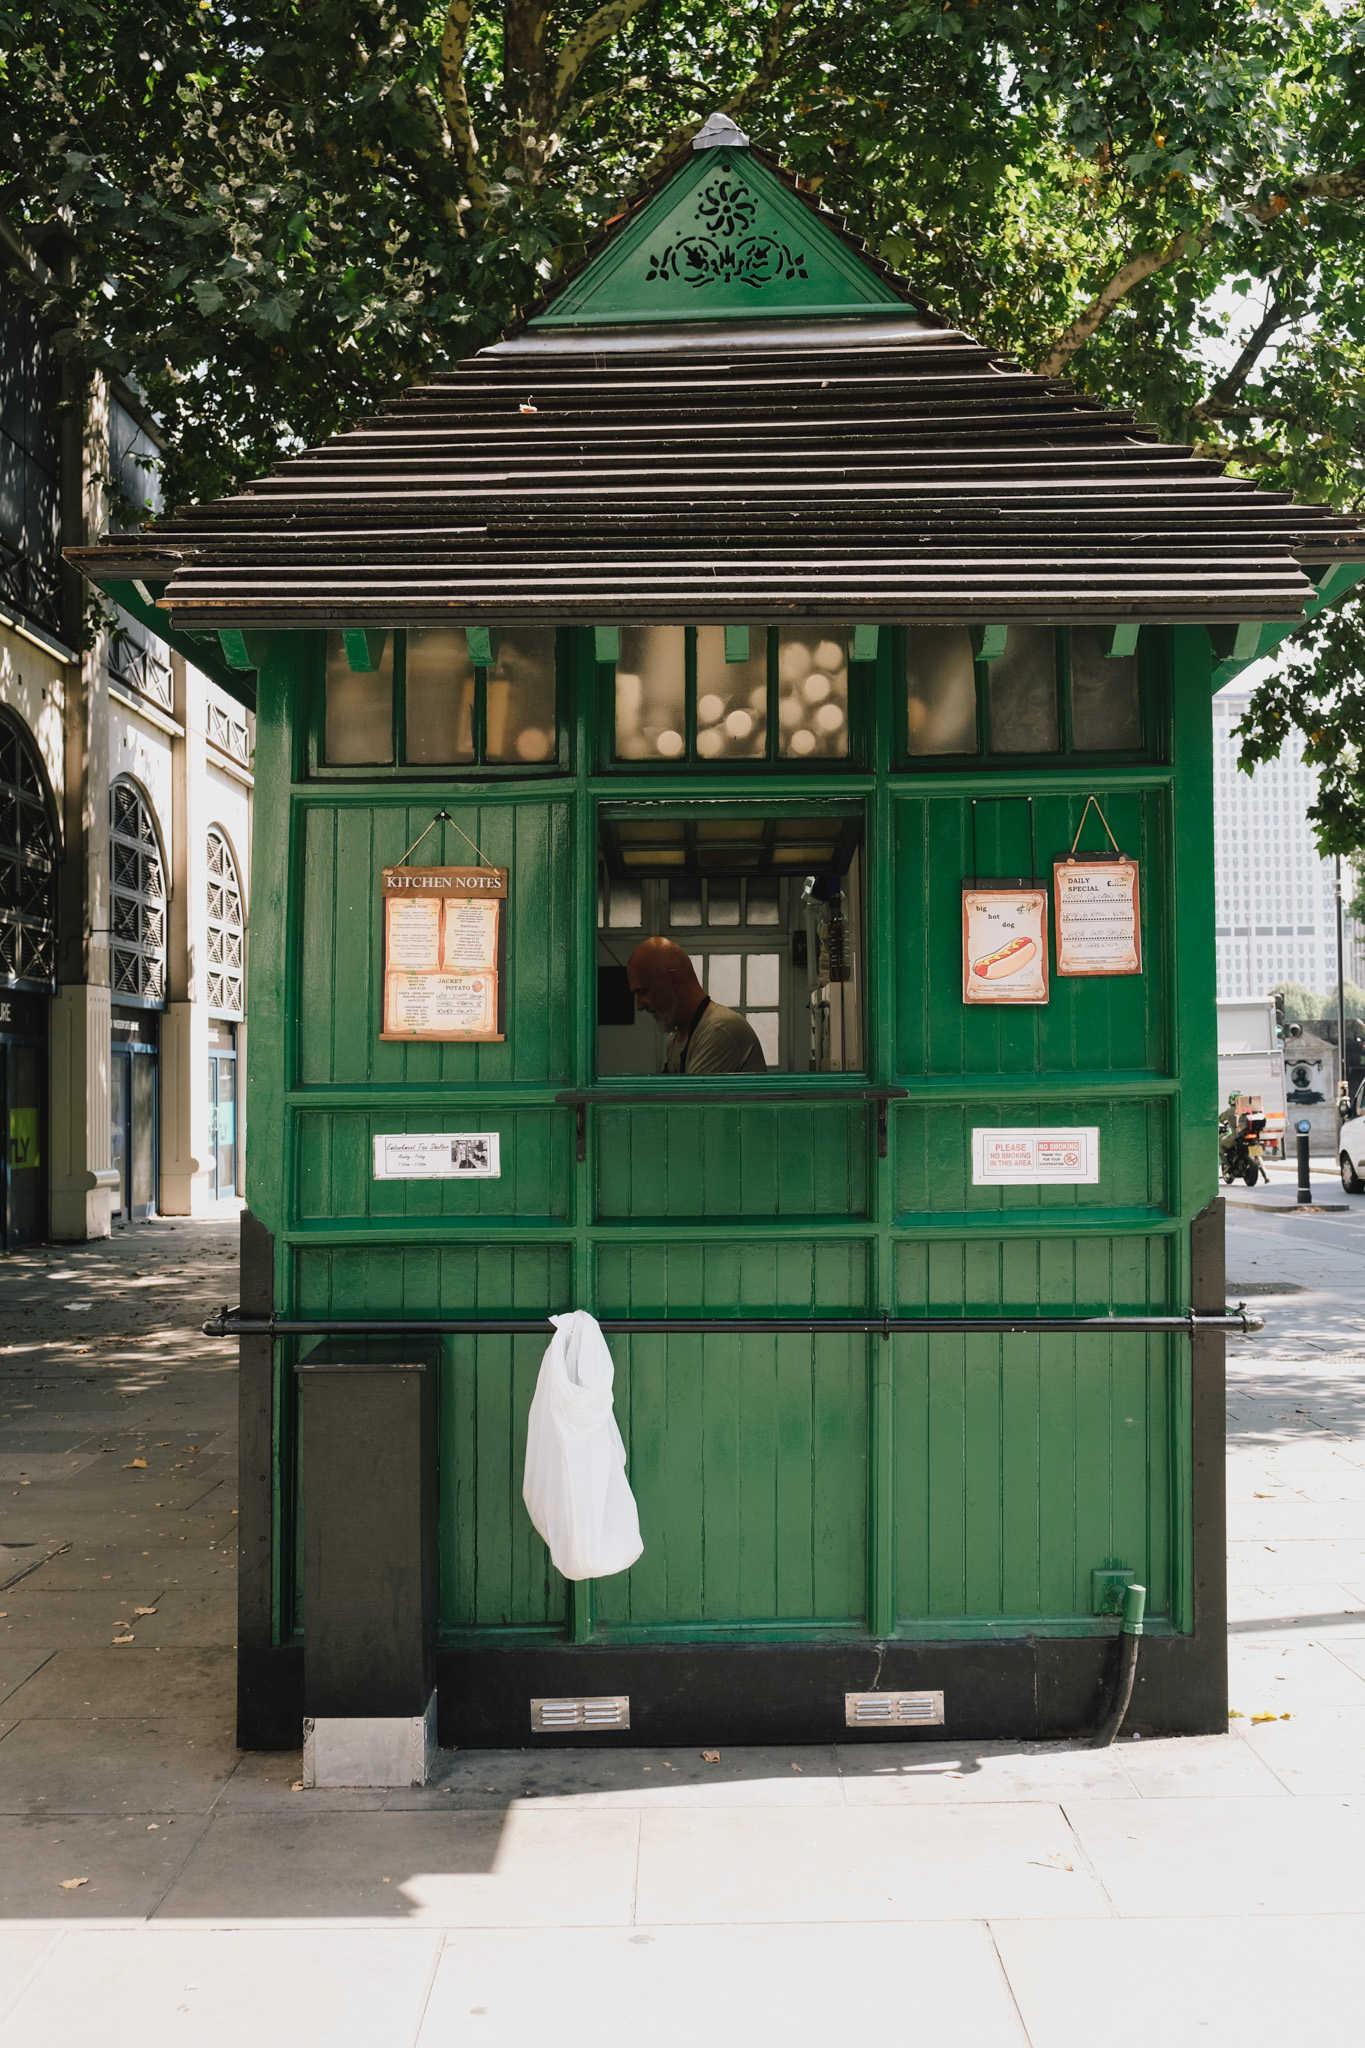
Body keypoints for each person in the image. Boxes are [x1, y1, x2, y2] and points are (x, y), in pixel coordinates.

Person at [626, 936, 766, 1074]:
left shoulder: (719, 1029)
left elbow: (685, 1097)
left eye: (643, 992)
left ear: (673, 980)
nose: (639, 1006)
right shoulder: (676, 1039)